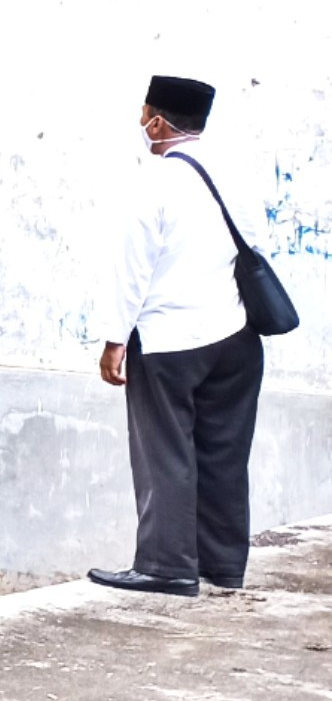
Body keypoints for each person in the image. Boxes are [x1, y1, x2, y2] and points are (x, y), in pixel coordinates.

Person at [87, 74, 264, 598]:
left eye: (145, 115)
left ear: (159, 121)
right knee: (224, 454)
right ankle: (224, 566)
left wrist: (113, 340)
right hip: (235, 337)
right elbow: (255, 248)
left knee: (165, 452)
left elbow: (130, 270)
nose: (141, 124)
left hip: (168, 342)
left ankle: (168, 566)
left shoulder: (151, 182)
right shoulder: (234, 174)